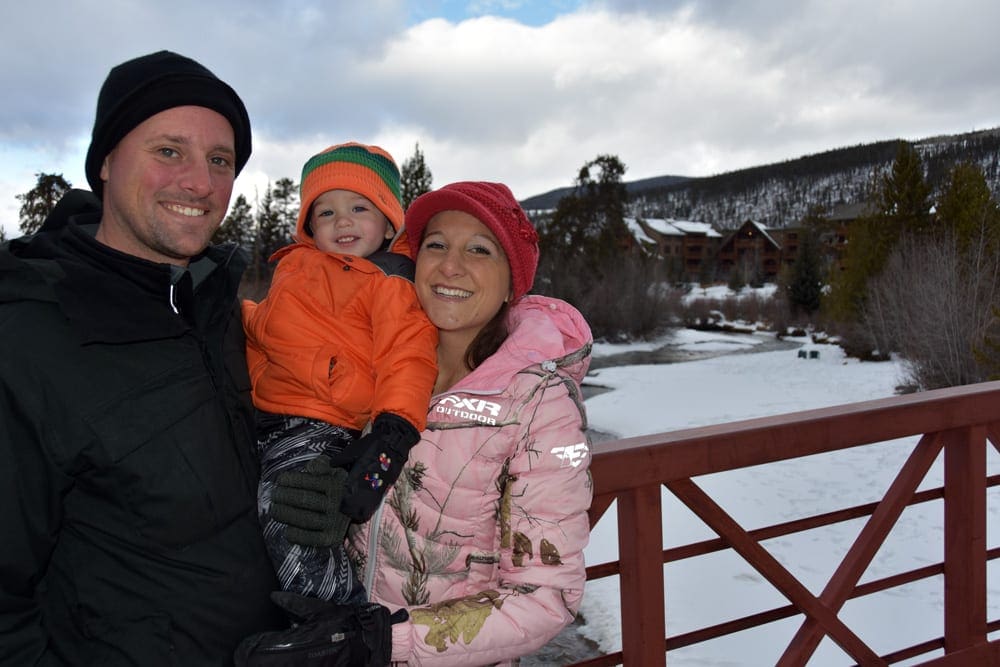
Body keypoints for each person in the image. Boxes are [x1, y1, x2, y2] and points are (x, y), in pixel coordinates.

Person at [0, 50, 283, 665]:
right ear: (105, 161)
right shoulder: (30, 335)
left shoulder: (219, 311)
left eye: (220, 161)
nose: (201, 183)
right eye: (168, 151)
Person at [270, 181, 594, 666]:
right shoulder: (374, 364)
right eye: (436, 244)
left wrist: (383, 641)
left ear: (512, 283)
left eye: (479, 250)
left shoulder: (537, 406)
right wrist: (322, 503)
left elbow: (546, 596)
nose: (450, 266)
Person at [242, 143, 437, 604]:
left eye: (358, 207)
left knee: (292, 519)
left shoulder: (388, 280)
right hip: (264, 418)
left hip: (320, 423)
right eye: (325, 212)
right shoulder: (295, 266)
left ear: (390, 221)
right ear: (309, 226)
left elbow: (407, 354)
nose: (342, 221)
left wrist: (394, 432)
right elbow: (267, 328)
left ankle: (340, 623)